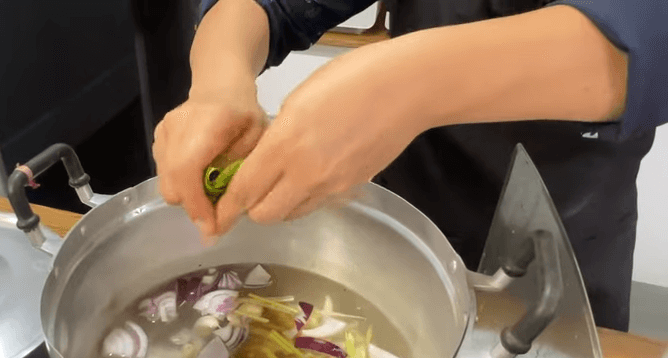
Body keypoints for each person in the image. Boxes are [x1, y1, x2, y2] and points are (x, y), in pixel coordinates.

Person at [151, 0, 668, 333]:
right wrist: (219, 82)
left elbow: (649, 37)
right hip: (410, 209)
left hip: (561, 236)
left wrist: (408, 86)